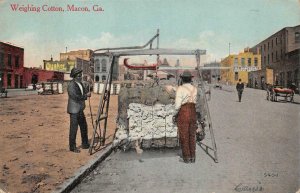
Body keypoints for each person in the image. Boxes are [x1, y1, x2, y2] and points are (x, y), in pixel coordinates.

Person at [174, 70, 198, 163]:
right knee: (192, 134)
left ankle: (186, 157)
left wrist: (174, 114)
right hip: (193, 111)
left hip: (184, 112)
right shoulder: (194, 88)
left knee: (184, 135)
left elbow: (177, 105)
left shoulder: (180, 89)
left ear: (182, 79)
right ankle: (193, 157)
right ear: (190, 79)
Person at [67, 68, 91, 153]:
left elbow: (84, 92)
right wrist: (85, 96)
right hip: (74, 110)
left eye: (81, 74)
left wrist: (87, 89)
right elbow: (75, 96)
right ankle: (72, 147)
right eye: (79, 74)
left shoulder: (80, 83)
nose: (81, 75)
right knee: (74, 129)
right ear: (74, 76)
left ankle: (85, 144)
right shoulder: (71, 85)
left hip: (80, 109)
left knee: (84, 127)